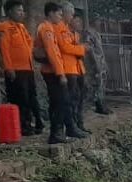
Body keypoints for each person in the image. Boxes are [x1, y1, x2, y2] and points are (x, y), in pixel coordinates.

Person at [36, 2, 83, 144]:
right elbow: (52, 53)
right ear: (50, 13)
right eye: (59, 14)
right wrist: (61, 73)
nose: (60, 17)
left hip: (54, 70)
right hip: (52, 72)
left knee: (60, 101)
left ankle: (59, 132)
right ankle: (56, 133)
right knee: (60, 102)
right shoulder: (46, 29)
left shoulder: (49, 27)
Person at [0, 1, 39, 135]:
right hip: (16, 69)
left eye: (22, 10)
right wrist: (9, 68)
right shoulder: (4, 27)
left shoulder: (21, 27)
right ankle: (22, 126)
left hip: (27, 68)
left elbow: (29, 42)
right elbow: (5, 49)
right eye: (18, 10)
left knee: (30, 97)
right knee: (20, 99)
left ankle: (29, 123)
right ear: (9, 12)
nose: (21, 13)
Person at [62, 6, 89, 134]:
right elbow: (67, 49)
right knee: (72, 98)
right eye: (76, 19)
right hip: (69, 70)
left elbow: (79, 52)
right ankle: (72, 125)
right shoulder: (64, 31)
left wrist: (81, 49)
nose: (79, 23)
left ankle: (80, 122)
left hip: (79, 69)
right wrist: (81, 48)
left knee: (80, 97)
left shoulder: (77, 35)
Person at [83, 16, 109, 115]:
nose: (100, 23)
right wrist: (96, 64)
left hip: (100, 63)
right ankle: (89, 106)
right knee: (93, 86)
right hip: (93, 65)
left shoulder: (97, 33)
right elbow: (90, 50)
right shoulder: (88, 33)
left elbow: (99, 51)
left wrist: (104, 64)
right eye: (99, 21)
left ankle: (101, 105)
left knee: (101, 85)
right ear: (94, 21)